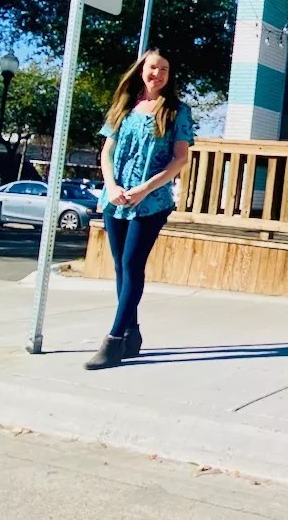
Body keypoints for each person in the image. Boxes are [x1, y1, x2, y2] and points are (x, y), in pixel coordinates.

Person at [84, 49, 195, 370]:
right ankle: (132, 333)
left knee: (132, 264)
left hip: (150, 202)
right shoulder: (123, 106)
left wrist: (145, 188)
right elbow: (107, 152)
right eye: (153, 67)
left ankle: (114, 340)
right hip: (116, 199)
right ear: (141, 70)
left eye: (164, 69)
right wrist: (111, 186)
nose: (157, 74)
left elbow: (181, 158)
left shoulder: (176, 111)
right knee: (120, 266)